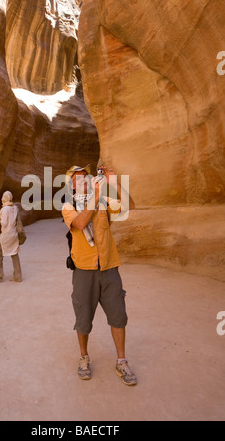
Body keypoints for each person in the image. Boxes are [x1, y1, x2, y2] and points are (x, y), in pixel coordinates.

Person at [62, 164, 137, 386]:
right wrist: (96, 196)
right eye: (77, 179)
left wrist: (114, 182)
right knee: (83, 319)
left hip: (109, 268)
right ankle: (84, 357)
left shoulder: (103, 203)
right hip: (84, 270)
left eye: (86, 177)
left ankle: (121, 361)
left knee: (119, 317)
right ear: (72, 186)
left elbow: (129, 207)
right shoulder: (69, 206)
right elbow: (80, 223)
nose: (82, 180)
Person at [0, 191, 22, 283]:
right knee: (14, 253)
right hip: (14, 234)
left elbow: (4, 223)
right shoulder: (15, 208)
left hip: (6, 235)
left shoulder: (4, 209)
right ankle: (17, 276)